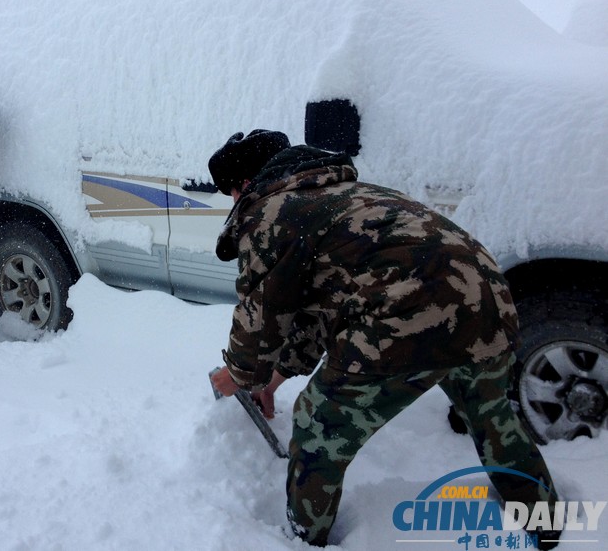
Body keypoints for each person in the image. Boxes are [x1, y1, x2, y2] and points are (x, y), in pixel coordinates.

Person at [207, 129, 559, 548]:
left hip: (408, 312)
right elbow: (325, 308)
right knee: (491, 416)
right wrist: (278, 375)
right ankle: (547, 522)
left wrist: (240, 374)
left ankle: (302, 538)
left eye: (230, 192)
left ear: (244, 183)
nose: (233, 204)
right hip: (487, 299)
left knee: (319, 427)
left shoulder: (272, 211)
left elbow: (262, 315)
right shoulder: (346, 193)